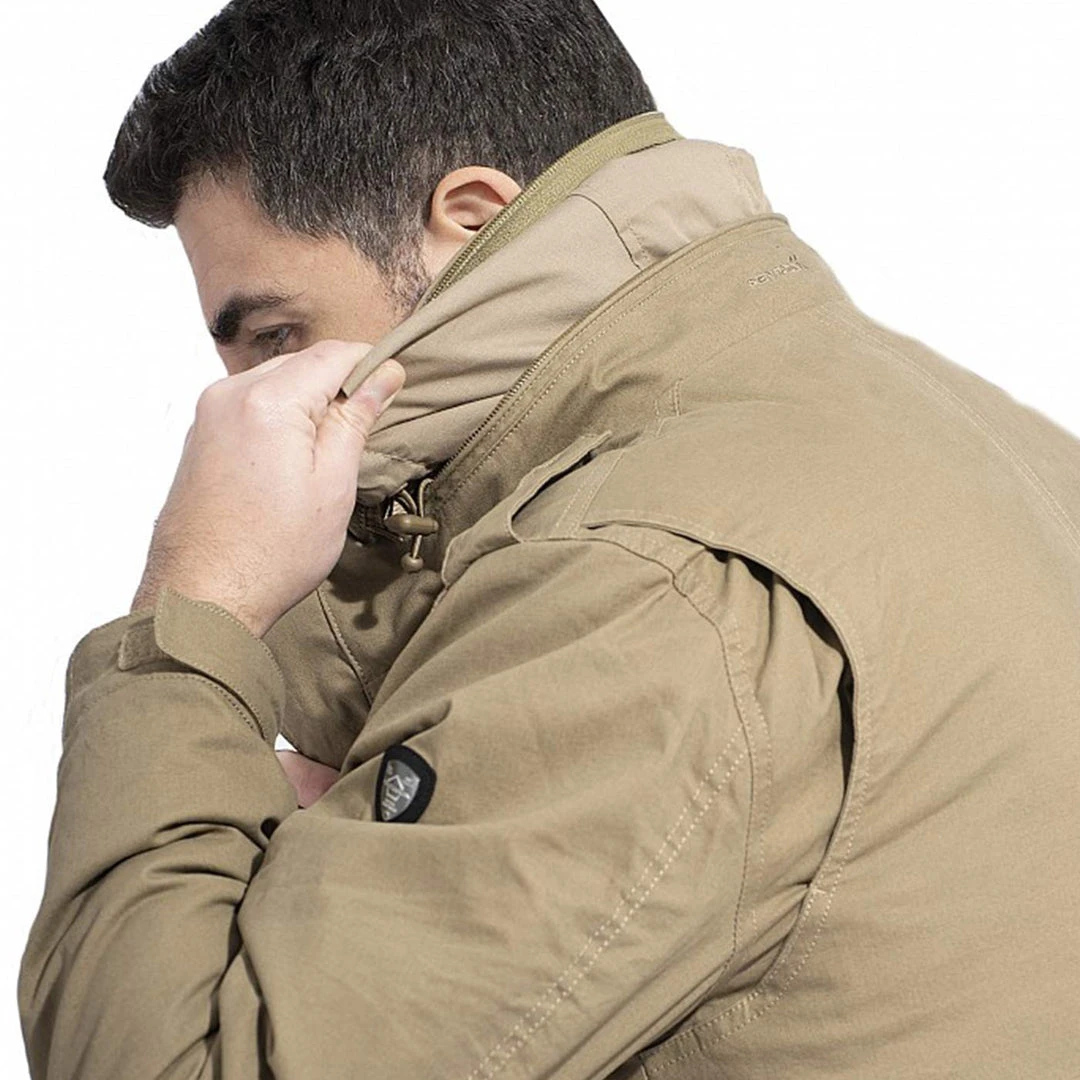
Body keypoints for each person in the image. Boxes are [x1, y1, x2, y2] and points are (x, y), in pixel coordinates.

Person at [16, 0, 1080, 1076]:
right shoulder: (989, 438)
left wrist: (199, 605)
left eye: (276, 336)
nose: (245, 408)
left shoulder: (641, 582)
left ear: (474, 216)